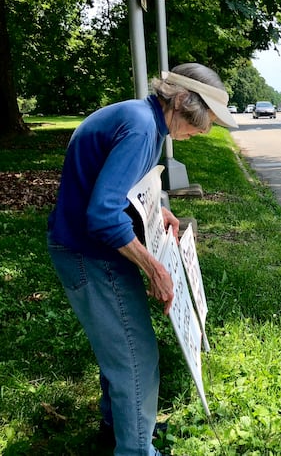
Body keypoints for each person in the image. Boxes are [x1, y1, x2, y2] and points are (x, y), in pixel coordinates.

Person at [47, 63, 237, 455]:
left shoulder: (145, 120)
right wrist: (154, 267)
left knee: (119, 348)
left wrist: (156, 213)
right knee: (136, 356)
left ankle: (121, 426)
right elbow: (101, 214)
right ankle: (135, 448)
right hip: (89, 255)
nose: (205, 130)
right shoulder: (141, 128)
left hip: (91, 250)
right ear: (183, 100)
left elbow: (125, 192)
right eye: (206, 119)